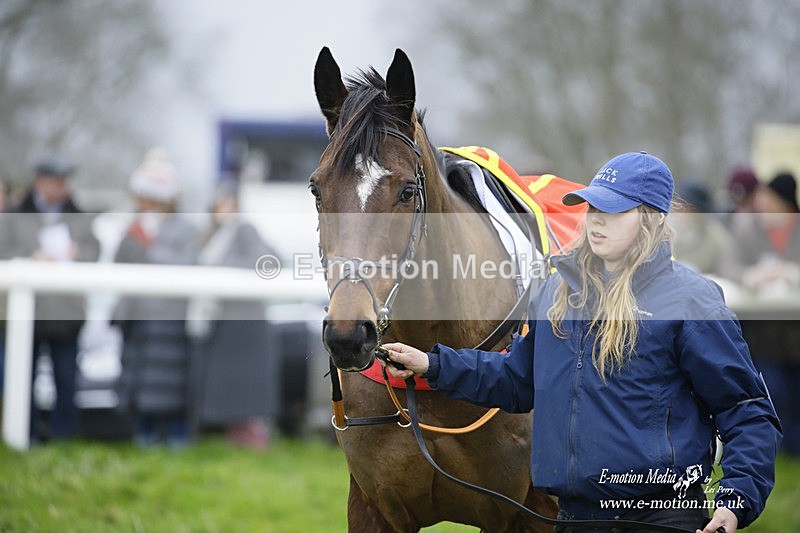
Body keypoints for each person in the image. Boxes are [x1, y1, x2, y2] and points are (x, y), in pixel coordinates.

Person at [381, 152, 781, 533]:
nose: (596, 222)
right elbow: (517, 379)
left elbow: (745, 408)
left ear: (651, 219)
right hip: (574, 516)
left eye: (613, 211)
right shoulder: (557, 291)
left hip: (662, 517)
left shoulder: (691, 300)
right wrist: (432, 365)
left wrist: (736, 500)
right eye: (592, 209)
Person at [0, 157, 100, 442]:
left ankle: (64, 438)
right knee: (21, 379)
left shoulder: (79, 214)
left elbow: (94, 251)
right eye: (58, 180)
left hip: (66, 313)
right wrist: (29, 258)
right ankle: (23, 436)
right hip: (25, 314)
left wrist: (77, 253)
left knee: (66, 380)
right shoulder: (14, 213)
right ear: (41, 181)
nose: (63, 186)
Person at [113, 148, 199, 448]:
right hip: (137, 316)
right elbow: (118, 265)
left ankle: (177, 437)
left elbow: (187, 263)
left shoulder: (186, 228)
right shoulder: (131, 227)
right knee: (138, 380)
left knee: (173, 383)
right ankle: (143, 435)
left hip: (171, 317)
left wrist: (150, 245)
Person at [187, 181, 279, 450]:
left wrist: (221, 270)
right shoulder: (209, 235)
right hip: (221, 319)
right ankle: (232, 430)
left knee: (246, 380)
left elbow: (267, 259)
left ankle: (251, 433)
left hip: (245, 321)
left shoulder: (245, 229)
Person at [720, 171, 800, 457]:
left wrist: (791, 274)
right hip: (764, 331)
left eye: (773, 200)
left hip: (795, 329)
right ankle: (773, 445)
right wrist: (752, 276)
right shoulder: (748, 230)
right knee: (772, 388)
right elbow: (730, 267)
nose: (765, 205)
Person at [671, 180, 733, 275]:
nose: (681, 213)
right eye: (678, 206)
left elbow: (729, 270)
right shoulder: (664, 231)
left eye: (688, 209)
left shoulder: (717, 238)